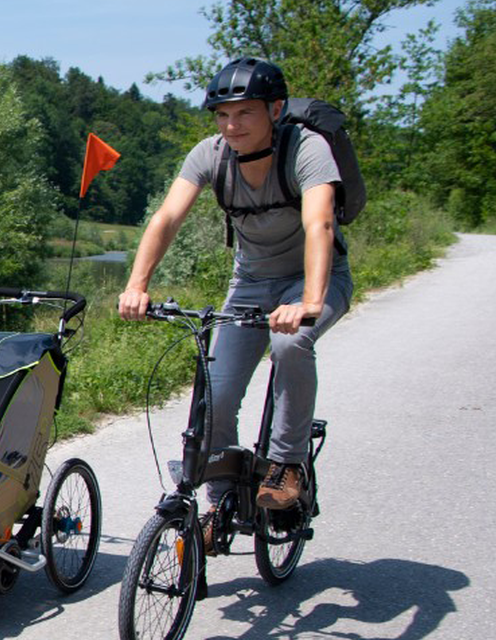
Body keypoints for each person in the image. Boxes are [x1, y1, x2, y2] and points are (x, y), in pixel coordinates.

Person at [117, 56, 353, 533]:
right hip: (249, 284)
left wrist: (309, 300)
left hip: (313, 281)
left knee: (290, 344)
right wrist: (136, 285)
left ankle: (287, 465)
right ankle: (219, 503)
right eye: (222, 115)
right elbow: (166, 219)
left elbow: (319, 224)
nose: (231, 125)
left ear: (276, 109)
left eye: (244, 113)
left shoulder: (306, 150)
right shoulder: (210, 154)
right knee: (216, 391)